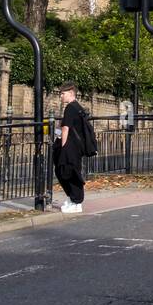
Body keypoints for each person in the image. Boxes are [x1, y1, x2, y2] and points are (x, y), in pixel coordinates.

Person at [53, 83, 91, 213]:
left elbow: (65, 128)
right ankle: (73, 199)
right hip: (76, 147)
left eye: (63, 93)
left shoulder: (70, 108)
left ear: (71, 93)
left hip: (70, 146)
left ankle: (76, 202)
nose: (61, 96)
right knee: (69, 171)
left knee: (66, 172)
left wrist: (63, 146)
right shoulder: (78, 107)